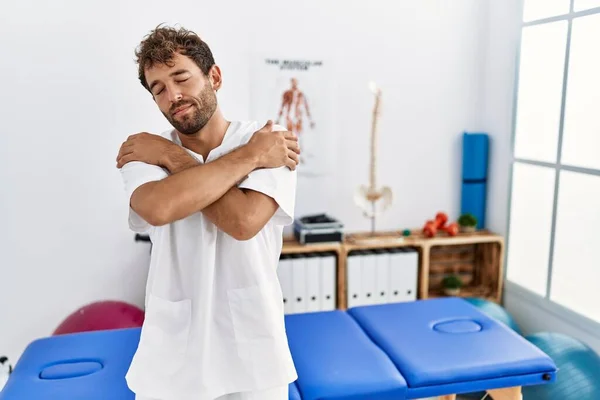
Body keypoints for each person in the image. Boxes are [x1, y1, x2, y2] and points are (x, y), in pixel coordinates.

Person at [116, 24, 301, 400]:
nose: (173, 95)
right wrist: (246, 158)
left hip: (253, 356)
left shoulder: (270, 138)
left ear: (213, 76)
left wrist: (174, 161)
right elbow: (159, 206)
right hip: (171, 359)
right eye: (159, 89)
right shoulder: (145, 152)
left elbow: (243, 222)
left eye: (181, 78)